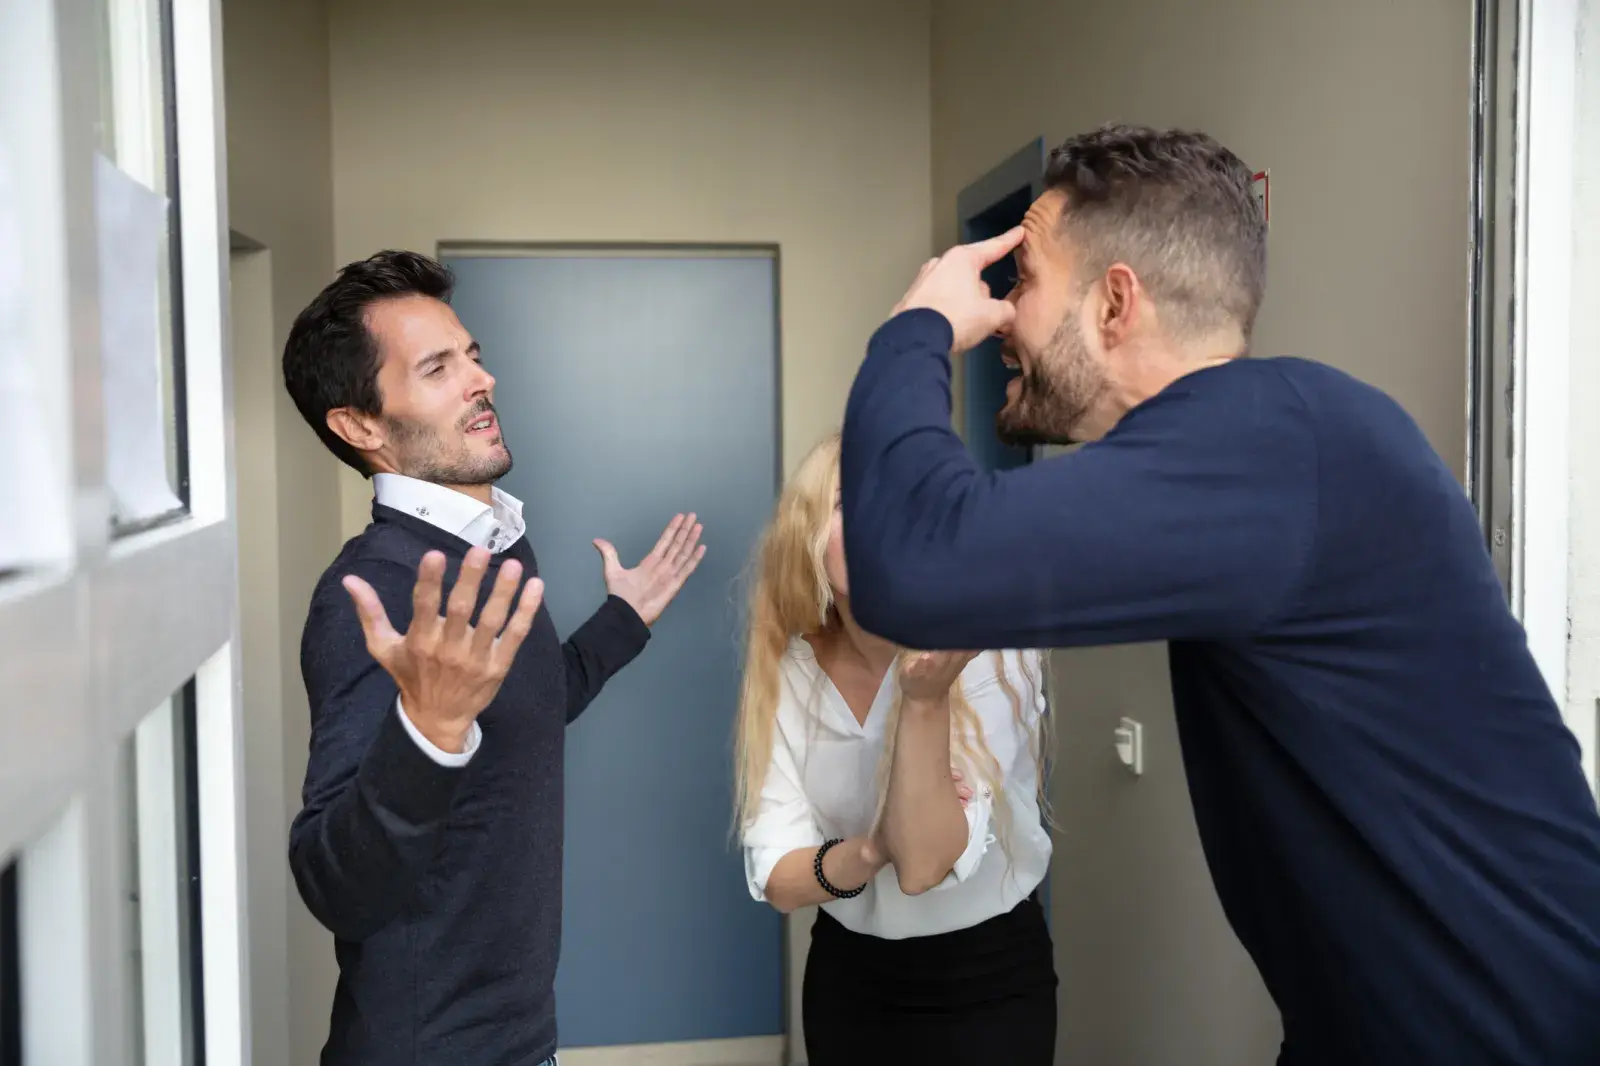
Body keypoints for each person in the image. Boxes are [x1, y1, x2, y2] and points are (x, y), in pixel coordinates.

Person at [838, 124, 1600, 1066]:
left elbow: (912, 564)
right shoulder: (1263, 443)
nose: (998, 317)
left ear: (1116, 303)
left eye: (1022, 279)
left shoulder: (1275, 442)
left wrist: (916, 324)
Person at [281, 250, 706, 1066]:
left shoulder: (492, 543)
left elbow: (520, 707)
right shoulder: (373, 593)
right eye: (438, 368)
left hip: (521, 1037)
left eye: (471, 356)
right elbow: (331, 882)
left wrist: (624, 620)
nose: (483, 380)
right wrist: (428, 732)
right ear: (362, 425)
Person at [735, 432, 1057, 1066]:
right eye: (848, 504)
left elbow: (926, 862)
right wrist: (871, 848)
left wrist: (924, 700)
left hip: (986, 983)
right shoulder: (791, 670)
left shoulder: (988, 647)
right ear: (808, 536)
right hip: (849, 982)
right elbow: (779, 877)